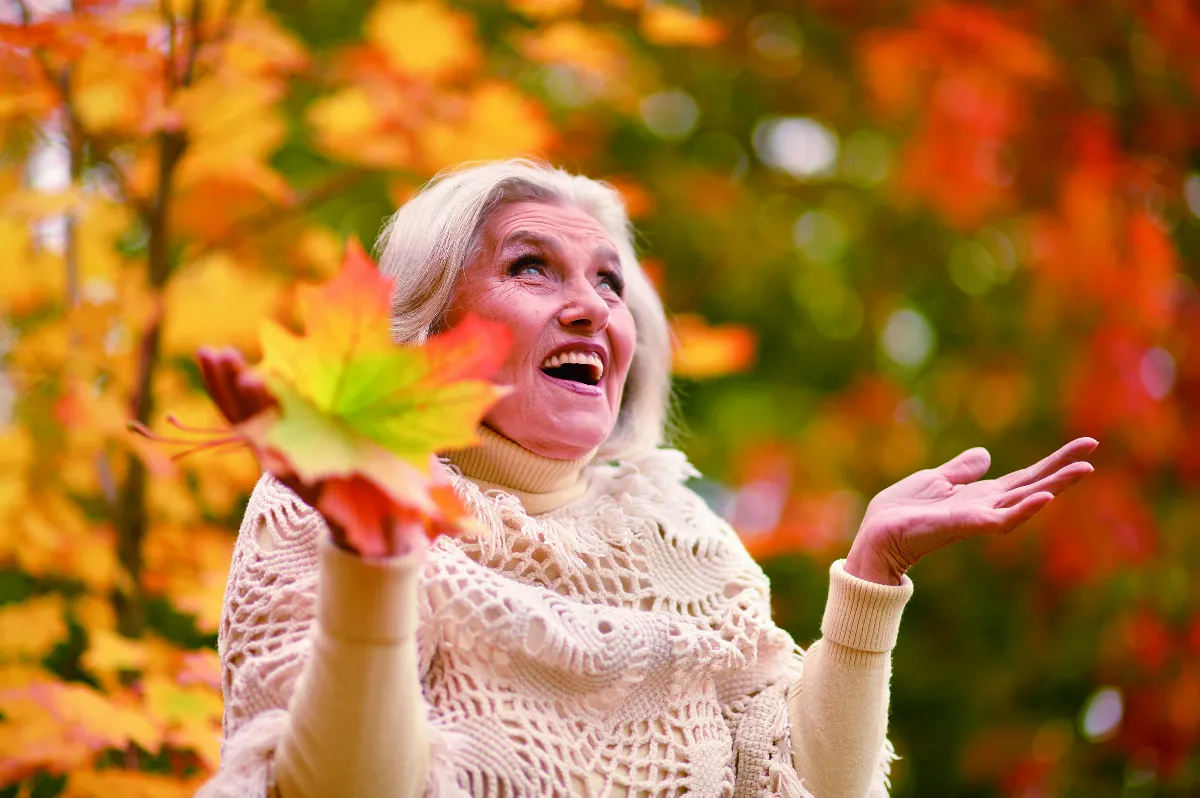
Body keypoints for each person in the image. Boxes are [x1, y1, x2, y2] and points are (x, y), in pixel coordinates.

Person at [198, 160, 1096, 798]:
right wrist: (374, 561)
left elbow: (807, 785)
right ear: (433, 329)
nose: (590, 307)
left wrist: (872, 572)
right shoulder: (333, 503)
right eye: (530, 267)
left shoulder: (684, 544)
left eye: (609, 283)